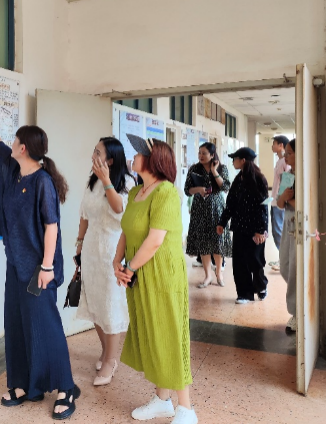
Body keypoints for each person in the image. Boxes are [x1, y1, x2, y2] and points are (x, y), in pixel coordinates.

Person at [0, 99, 80, 420]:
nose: (11, 143)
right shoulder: (13, 168)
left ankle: (66, 388)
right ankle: (25, 385)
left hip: (39, 269)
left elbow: (51, 227)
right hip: (15, 263)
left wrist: (46, 266)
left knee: (46, 326)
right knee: (16, 324)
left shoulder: (42, 182)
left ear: (24, 148)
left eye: (16, 140)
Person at [114, 134, 197, 424]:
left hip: (162, 275)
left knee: (169, 334)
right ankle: (163, 400)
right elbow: (127, 230)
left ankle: (186, 408)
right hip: (140, 273)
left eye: (138, 153)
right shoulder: (137, 192)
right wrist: (117, 262)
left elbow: (155, 240)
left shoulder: (166, 193)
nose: (133, 156)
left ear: (153, 161)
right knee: (153, 332)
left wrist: (129, 268)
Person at [75, 137, 135, 386]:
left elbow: (119, 209)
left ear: (110, 160)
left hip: (112, 251)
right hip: (91, 250)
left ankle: (111, 360)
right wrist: (79, 245)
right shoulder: (91, 181)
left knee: (110, 305)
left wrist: (107, 181)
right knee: (95, 303)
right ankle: (105, 351)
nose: (93, 155)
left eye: (98, 152)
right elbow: (84, 215)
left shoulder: (127, 183)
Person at [217, 148, 270, 304]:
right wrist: (222, 222)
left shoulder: (259, 179)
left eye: (235, 158)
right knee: (240, 261)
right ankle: (244, 294)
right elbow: (230, 204)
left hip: (255, 229)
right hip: (239, 227)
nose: (233, 161)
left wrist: (261, 230)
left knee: (255, 260)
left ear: (243, 160)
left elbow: (263, 206)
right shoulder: (238, 179)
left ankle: (261, 285)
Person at [185, 143, 232, 288]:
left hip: (216, 208)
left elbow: (225, 187)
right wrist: (198, 189)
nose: (201, 156)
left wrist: (214, 171)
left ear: (212, 155)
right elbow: (187, 190)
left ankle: (219, 273)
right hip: (199, 208)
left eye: (204, 153)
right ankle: (207, 276)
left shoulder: (222, 168)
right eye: (199, 153)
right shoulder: (194, 169)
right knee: (203, 242)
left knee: (217, 241)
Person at [277, 139, 297, 332]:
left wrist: (288, 200)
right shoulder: (288, 176)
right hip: (288, 225)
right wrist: (284, 198)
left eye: (289, 153)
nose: (286, 156)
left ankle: (296, 313)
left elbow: (304, 206)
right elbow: (280, 203)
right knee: (285, 267)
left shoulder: (308, 176)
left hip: (300, 226)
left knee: (296, 270)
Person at [269, 136, 291, 271]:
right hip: (275, 201)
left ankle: (284, 260)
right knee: (276, 231)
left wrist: (281, 199)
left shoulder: (285, 162)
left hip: (279, 202)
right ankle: (282, 258)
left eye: (274, 144)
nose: (272, 146)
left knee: (278, 231)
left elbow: (287, 180)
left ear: (281, 145)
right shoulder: (279, 161)